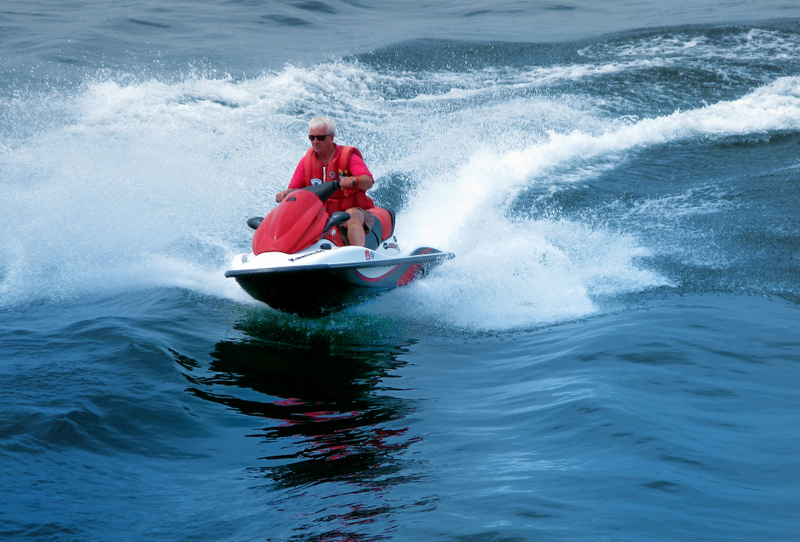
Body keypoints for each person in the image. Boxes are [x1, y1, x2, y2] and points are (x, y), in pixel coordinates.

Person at [276, 116, 376, 247]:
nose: (315, 141)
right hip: (321, 214)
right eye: (312, 137)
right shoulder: (306, 162)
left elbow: (368, 181)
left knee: (351, 214)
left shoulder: (348, 157)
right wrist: (285, 194)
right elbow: (294, 190)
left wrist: (354, 180)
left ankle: (358, 255)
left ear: (331, 137)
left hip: (352, 211)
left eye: (320, 138)